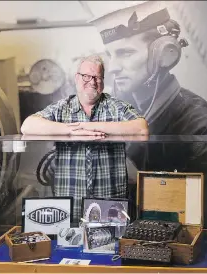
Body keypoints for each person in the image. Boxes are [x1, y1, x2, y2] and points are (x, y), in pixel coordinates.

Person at [88, 1, 207, 229]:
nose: (112, 68)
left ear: (162, 55)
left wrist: (130, 182)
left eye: (125, 53)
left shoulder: (201, 128)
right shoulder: (121, 113)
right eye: (110, 55)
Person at [21, 54, 149, 222]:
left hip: (109, 202)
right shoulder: (61, 108)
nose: (92, 82)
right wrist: (69, 131)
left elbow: (141, 129)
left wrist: (91, 126)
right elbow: (27, 126)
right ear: (76, 78)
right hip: (69, 202)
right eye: (87, 76)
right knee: (67, 246)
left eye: (97, 77)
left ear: (103, 81)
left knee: (109, 246)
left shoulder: (116, 107)